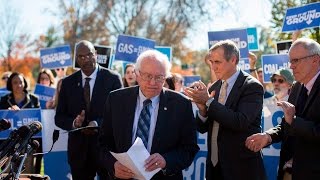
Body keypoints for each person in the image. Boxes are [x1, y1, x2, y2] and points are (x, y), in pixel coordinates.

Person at [98, 50, 199, 180]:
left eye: (159, 77)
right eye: (147, 76)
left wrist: (166, 160)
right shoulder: (116, 99)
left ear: (166, 77)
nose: (152, 83)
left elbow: (189, 148)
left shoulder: (181, 104)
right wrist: (113, 165)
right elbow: (102, 143)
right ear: (137, 74)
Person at [184, 40, 266, 180]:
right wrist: (203, 110)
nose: (214, 67)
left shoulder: (252, 86)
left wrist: (208, 101)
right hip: (215, 168)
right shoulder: (214, 87)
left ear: (233, 60)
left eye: (218, 62)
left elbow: (240, 121)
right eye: (211, 62)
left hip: (241, 169)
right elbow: (203, 128)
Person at [245, 38, 320, 179]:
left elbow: (296, 122)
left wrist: (294, 120)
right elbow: (287, 124)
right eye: (290, 61)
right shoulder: (298, 87)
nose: (291, 67)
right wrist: (268, 136)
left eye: (296, 61)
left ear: (315, 60)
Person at [55, 40, 123, 180]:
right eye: (81, 56)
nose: (86, 59)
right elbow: (59, 117)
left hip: (107, 150)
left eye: (89, 55)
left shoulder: (112, 79)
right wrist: (74, 123)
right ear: (76, 59)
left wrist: (97, 123)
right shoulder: (67, 83)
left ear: (96, 55)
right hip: (79, 153)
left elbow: (120, 114)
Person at [0, 72, 40, 174]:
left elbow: (38, 120)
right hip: (9, 144)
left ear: (25, 83)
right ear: (10, 84)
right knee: (8, 173)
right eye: (15, 82)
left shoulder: (34, 99)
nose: (18, 85)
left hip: (28, 144)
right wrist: (7, 112)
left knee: (27, 172)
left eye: (21, 82)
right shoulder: (4, 100)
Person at [262, 68, 294, 180]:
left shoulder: (295, 104)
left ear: (290, 85)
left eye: (281, 81)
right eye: (274, 80)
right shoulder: (265, 102)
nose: (276, 83)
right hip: (266, 157)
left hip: (285, 159)